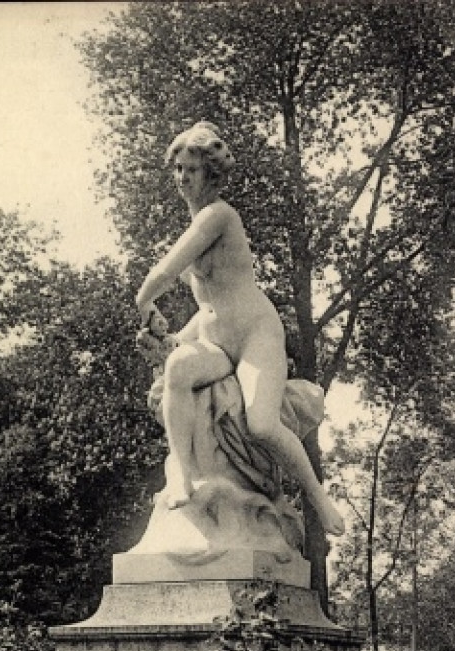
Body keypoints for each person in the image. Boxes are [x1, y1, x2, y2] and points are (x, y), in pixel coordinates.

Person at [135, 121, 345, 536]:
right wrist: (173, 338)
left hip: (255, 334)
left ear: (210, 174)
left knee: (262, 425)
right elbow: (208, 304)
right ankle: (183, 474)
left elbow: (164, 271)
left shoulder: (218, 216)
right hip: (213, 337)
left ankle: (317, 500)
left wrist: (144, 302)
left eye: (189, 170)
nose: (181, 179)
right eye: (177, 170)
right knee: (177, 368)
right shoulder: (198, 222)